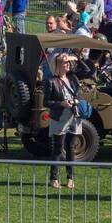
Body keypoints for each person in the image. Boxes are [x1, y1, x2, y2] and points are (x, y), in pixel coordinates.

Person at [45, 53, 82, 189]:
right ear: (57, 66)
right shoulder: (50, 81)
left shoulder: (72, 78)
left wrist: (73, 57)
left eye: (68, 63)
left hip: (74, 115)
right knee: (58, 149)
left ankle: (70, 177)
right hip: (60, 117)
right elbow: (46, 101)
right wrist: (61, 103)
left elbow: (86, 70)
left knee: (71, 148)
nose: (67, 65)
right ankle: (54, 178)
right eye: (64, 63)